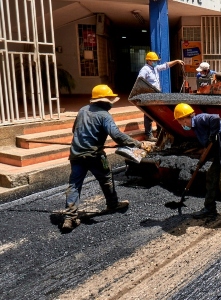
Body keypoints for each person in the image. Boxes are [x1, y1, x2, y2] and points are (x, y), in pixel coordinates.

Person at [62, 85, 149, 231]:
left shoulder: (83, 110)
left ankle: (69, 217)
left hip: (76, 154)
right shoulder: (104, 115)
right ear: (103, 101)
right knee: (106, 178)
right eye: (109, 100)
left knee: (74, 185)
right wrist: (138, 144)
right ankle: (113, 204)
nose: (111, 103)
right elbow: (117, 136)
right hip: (94, 155)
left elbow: (74, 130)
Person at [173, 103, 221, 230]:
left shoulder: (199, 119)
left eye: (179, 121)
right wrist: (202, 160)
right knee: (211, 176)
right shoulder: (196, 127)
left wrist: (213, 133)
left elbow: (215, 118)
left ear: (184, 119)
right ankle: (209, 208)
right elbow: (210, 144)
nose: (181, 125)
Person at [138, 51, 184, 142]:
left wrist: (176, 61)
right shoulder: (145, 70)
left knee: (157, 113)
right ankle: (148, 135)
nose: (156, 62)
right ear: (149, 61)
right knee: (148, 115)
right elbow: (140, 81)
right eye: (154, 61)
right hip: (149, 95)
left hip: (157, 94)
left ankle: (159, 132)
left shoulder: (155, 68)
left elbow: (166, 65)